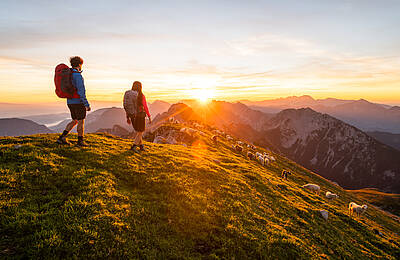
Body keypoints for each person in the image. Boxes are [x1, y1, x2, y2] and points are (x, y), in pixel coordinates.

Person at [56, 56, 91, 147]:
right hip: (78, 102)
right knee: (80, 121)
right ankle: (80, 141)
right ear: (80, 64)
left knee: (74, 120)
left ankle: (62, 137)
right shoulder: (78, 76)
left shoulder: (68, 74)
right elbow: (81, 91)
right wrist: (86, 104)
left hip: (70, 102)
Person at [123, 81, 151, 152]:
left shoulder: (129, 94)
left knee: (139, 132)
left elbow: (127, 106)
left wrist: (128, 117)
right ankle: (134, 146)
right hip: (140, 116)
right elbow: (145, 106)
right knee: (140, 132)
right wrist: (149, 116)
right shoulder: (141, 95)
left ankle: (141, 146)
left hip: (132, 116)